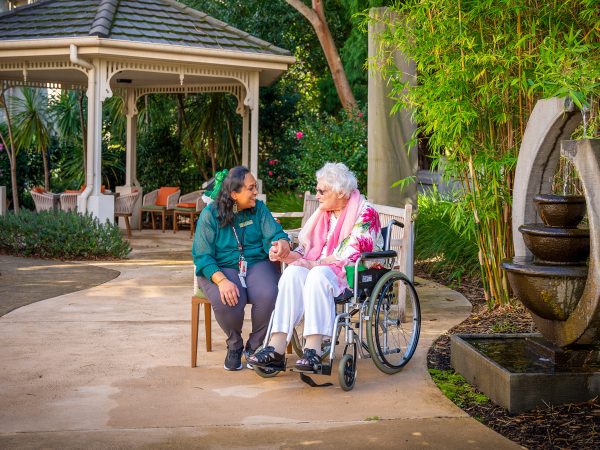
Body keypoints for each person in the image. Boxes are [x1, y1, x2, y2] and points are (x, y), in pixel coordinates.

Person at [248, 162, 383, 372]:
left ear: (339, 192)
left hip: (353, 272)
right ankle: (276, 346)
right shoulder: (325, 214)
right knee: (293, 273)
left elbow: (352, 251)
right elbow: (308, 250)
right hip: (321, 269)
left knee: (317, 274)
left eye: (321, 191)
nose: (317, 195)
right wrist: (288, 255)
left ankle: (313, 349)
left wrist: (314, 264)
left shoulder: (366, 212)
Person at [192, 166, 291, 371]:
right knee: (229, 298)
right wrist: (221, 280)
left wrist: (281, 242)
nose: (256, 192)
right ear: (234, 194)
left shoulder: (259, 209)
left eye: (255, 188)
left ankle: (254, 346)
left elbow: (276, 233)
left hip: (257, 262)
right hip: (222, 266)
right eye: (251, 188)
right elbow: (202, 255)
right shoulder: (210, 215)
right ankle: (235, 344)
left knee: (268, 293)